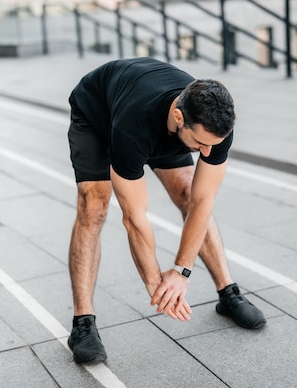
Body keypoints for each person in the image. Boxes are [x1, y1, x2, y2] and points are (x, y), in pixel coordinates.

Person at [67, 57, 266, 364]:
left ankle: (228, 293)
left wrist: (181, 272)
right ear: (178, 116)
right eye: (201, 143)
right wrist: (155, 283)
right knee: (93, 206)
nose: (208, 153)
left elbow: (203, 201)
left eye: (213, 145)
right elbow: (134, 217)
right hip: (99, 114)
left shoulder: (215, 129)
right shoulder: (132, 128)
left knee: (189, 192)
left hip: (159, 122)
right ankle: (83, 322)